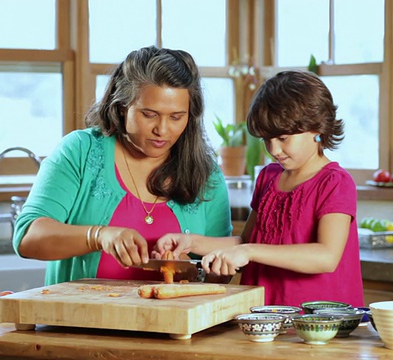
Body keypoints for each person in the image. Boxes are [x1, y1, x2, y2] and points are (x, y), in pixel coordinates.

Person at [12, 46, 233, 286]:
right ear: (122, 107)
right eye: (149, 114)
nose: (162, 129)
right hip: (78, 322)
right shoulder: (80, 151)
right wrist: (98, 235)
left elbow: (218, 271)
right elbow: (27, 238)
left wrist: (191, 268)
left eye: (176, 117)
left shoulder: (205, 171)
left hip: (173, 323)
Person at [154, 70, 364, 307]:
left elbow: (326, 256)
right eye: (266, 139)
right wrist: (190, 242)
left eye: (283, 138)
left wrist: (249, 252)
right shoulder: (268, 177)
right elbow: (244, 242)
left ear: (317, 128)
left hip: (317, 326)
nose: (273, 149)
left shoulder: (335, 182)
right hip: (264, 317)